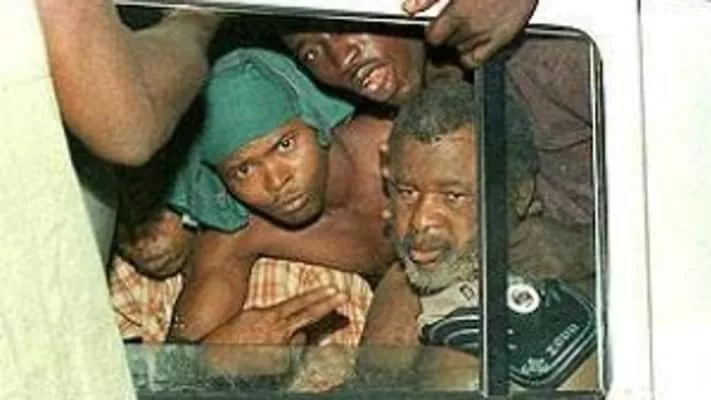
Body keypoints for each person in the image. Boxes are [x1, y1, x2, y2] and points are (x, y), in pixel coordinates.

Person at [279, 22, 595, 285]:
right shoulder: (394, 129)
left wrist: (588, 250)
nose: (341, 59)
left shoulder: (546, 61)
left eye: (346, 26)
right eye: (310, 53)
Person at [357, 81, 597, 390]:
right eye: (407, 192)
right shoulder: (401, 285)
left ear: (519, 195)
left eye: (453, 196)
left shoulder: (569, 309)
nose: (420, 221)